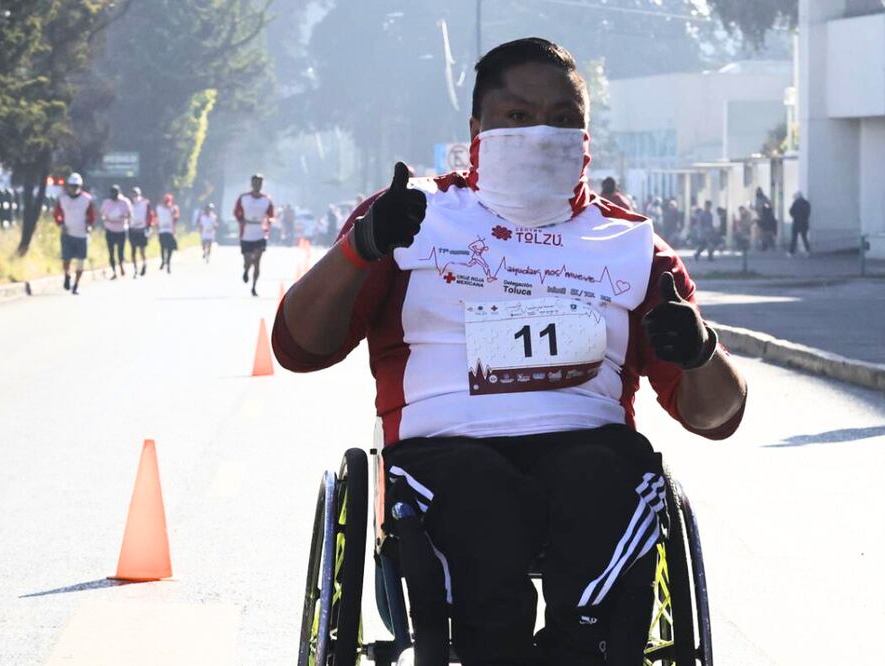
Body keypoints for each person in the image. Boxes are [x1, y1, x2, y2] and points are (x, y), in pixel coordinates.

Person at [272, 37, 747, 666]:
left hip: (589, 449)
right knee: (476, 500)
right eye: (518, 117)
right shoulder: (413, 220)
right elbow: (298, 347)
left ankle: (581, 644)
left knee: (604, 477)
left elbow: (719, 417)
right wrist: (363, 247)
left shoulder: (632, 246)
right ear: (477, 129)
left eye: (563, 119)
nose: (541, 133)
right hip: (443, 454)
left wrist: (700, 351)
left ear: (586, 136)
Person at [52, 172, 96, 295]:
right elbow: (57, 214)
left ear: (80, 187)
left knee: (80, 261)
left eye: (76, 186)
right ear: (68, 186)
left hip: (81, 234)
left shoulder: (87, 199)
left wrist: (89, 226)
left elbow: (91, 216)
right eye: (72, 186)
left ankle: (76, 285)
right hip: (67, 233)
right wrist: (61, 224)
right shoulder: (62, 199)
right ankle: (67, 275)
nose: (74, 189)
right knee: (66, 259)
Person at [233, 173, 274, 296]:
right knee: (248, 260)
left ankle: (254, 286)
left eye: (260, 183)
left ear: (262, 184)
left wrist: (269, 221)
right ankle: (246, 270)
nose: (257, 185)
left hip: (260, 233)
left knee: (257, 261)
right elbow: (236, 211)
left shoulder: (266, 199)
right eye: (255, 183)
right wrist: (241, 219)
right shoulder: (244, 197)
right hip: (247, 233)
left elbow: (271, 214)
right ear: (251, 184)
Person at [99, 184, 132, 279]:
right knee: (111, 252)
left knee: (120, 251)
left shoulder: (125, 202)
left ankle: (121, 264)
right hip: (110, 229)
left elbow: (129, 215)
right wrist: (106, 218)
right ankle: (114, 271)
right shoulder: (106, 202)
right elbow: (102, 215)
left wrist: (122, 217)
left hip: (121, 229)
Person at [128, 186, 154, 276]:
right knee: (133, 251)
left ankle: (144, 264)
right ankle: (135, 269)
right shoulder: (129, 203)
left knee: (142, 250)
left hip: (142, 229)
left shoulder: (145, 202)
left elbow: (150, 215)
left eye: (136, 193)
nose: (134, 195)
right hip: (132, 229)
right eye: (133, 193)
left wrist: (149, 226)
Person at [155, 193, 180, 273]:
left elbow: (176, 217)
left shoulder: (173, 208)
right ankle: (163, 260)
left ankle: (168, 263)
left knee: (170, 248)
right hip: (162, 231)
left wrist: (173, 214)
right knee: (162, 247)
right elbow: (156, 217)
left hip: (170, 231)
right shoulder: (159, 208)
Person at [788, 191, 811, 256]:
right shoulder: (807, 203)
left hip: (796, 223)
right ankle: (808, 251)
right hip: (804, 223)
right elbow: (808, 213)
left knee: (794, 238)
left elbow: (791, 211)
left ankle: (791, 252)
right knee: (804, 238)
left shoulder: (795, 203)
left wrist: (794, 216)